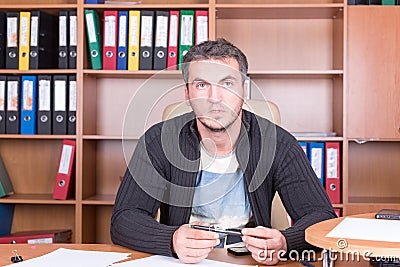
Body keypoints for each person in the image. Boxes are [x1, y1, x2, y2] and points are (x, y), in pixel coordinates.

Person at [110, 38, 336, 265]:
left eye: (227, 84)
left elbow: (322, 218)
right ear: (187, 94)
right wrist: (171, 240)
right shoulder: (158, 140)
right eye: (201, 85)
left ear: (243, 90)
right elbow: (124, 220)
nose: (214, 98)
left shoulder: (278, 143)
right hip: (184, 262)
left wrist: (286, 242)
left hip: (249, 261)